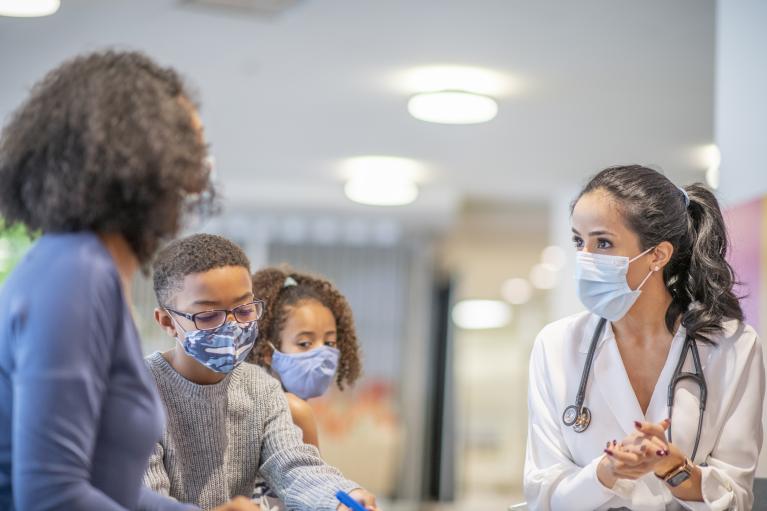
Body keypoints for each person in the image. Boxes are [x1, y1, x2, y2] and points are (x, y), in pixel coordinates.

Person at [0, 51, 256, 510]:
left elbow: (105, 486)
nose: (199, 180)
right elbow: (53, 497)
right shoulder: (76, 272)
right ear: (137, 157)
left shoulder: (84, 266)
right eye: (190, 151)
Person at [524, 165, 764, 510]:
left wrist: (673, 468)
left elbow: (737, 498)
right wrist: (605, 473)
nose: (585, 258)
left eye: (603, 242)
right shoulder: (556, 345)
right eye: (579, 240)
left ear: (658, 255)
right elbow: (541, 495)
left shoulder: (733, 346)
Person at [143, 233, 377, 511]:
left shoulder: (261, 389)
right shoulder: (138, 389)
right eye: (208, 316)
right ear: (167, 321)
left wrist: (339, 498)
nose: (232, 326)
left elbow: (294, 466)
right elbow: (144, 498)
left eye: (244, 310)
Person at [249, 267, 362, 448]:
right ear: (268, 353)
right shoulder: (295, 409)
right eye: (304, 343)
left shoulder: (257, 399)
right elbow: (318, 476)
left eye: (329, 343)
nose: (322, 354)